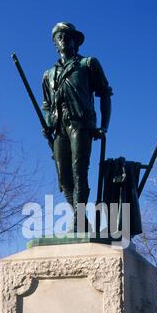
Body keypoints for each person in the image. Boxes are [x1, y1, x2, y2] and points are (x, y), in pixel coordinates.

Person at [42, 22, 112, 232]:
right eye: (59, 37)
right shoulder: (48, 75)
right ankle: (79, 218)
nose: (63, 39)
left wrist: (104, 126)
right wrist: (48, 125)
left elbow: (105, 94)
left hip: (81, 123)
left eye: (67, 36)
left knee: (79, 170)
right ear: (54, 43)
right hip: (59, 128)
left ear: (75, 41)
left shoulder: (88, 64)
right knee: (64, 177)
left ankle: (78, 221)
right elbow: (46, 105)